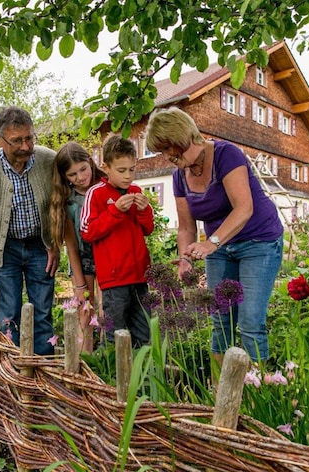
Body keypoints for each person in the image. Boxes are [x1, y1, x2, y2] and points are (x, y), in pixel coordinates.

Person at [144, 106, 284, 364]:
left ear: (184, 138)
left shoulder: (225, 155)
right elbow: (186, 227)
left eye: (168, 149)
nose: (167, 157)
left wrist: (212, 243)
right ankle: (219, 393)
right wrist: (186, 259)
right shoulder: (179, 177)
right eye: (161, 151)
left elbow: (244, 208)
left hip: (258, 242)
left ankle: (260, 395)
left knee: (250, 321)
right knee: (221, 320)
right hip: (219, 251)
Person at [0, 106, 59, 355]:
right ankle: (12, 373)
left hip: (41, 247)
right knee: (8, 314)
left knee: (42, 312)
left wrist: (54, 244)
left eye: (29, 138)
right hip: (5, 251)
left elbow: (62, 205)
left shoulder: (49, 160)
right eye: (17, 141)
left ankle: (43, 371)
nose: (26, 147)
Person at [80, 134, 154, 348]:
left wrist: (144, 210)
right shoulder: (96, 194)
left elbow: (148, 229)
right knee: (115, 334)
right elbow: (87, 231)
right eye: (121, 170)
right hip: (114, 281)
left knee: (144, 333)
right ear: (106, 167)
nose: (128, 176)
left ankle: (143, 378)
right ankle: (113, 378)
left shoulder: (136, 191)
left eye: (132, 169)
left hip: (140, 278)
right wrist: (114, 211)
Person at [50, 142, 106, 353]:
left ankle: (107, 360)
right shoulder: (68, 203)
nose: (81, 177)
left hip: (107, 257)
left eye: (83, 169)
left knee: (106, 311)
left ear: (90, 161)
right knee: (85, 311)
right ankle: (85, 361)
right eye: (72, 175)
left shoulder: (105, 188)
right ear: (65, 177)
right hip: (82, 260)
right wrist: (80, 284)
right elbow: (72, 247)